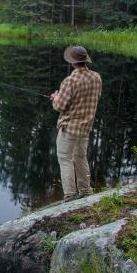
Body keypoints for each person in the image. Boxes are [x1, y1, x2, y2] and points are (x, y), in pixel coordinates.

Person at [50, 45, 102, 202]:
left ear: (72, 62)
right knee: (80, 157)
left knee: (64, 158)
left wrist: (55, 97)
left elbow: (60, 106)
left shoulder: (70, 81)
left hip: (69, 127)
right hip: (86, 127)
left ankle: (70, 195)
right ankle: (86, 190)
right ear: (85, 61)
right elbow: (96, 98)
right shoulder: (96, 77)